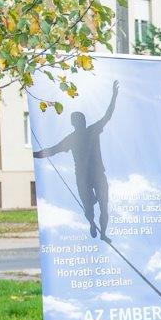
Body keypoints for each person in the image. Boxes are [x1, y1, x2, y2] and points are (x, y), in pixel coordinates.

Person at [32, 80, 119, 242]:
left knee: (103, 206)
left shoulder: (91, 130)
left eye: (81, 120)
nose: (81, 123)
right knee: (89, 209)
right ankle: (93, 224)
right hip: (84, 178)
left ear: (83, 122)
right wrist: (35, 154)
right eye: (78, 121)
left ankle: (103, 233)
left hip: (97, 175)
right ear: (74, 124)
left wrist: (114, 96)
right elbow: (52, 150)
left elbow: (108, 115)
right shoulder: (72, 139)